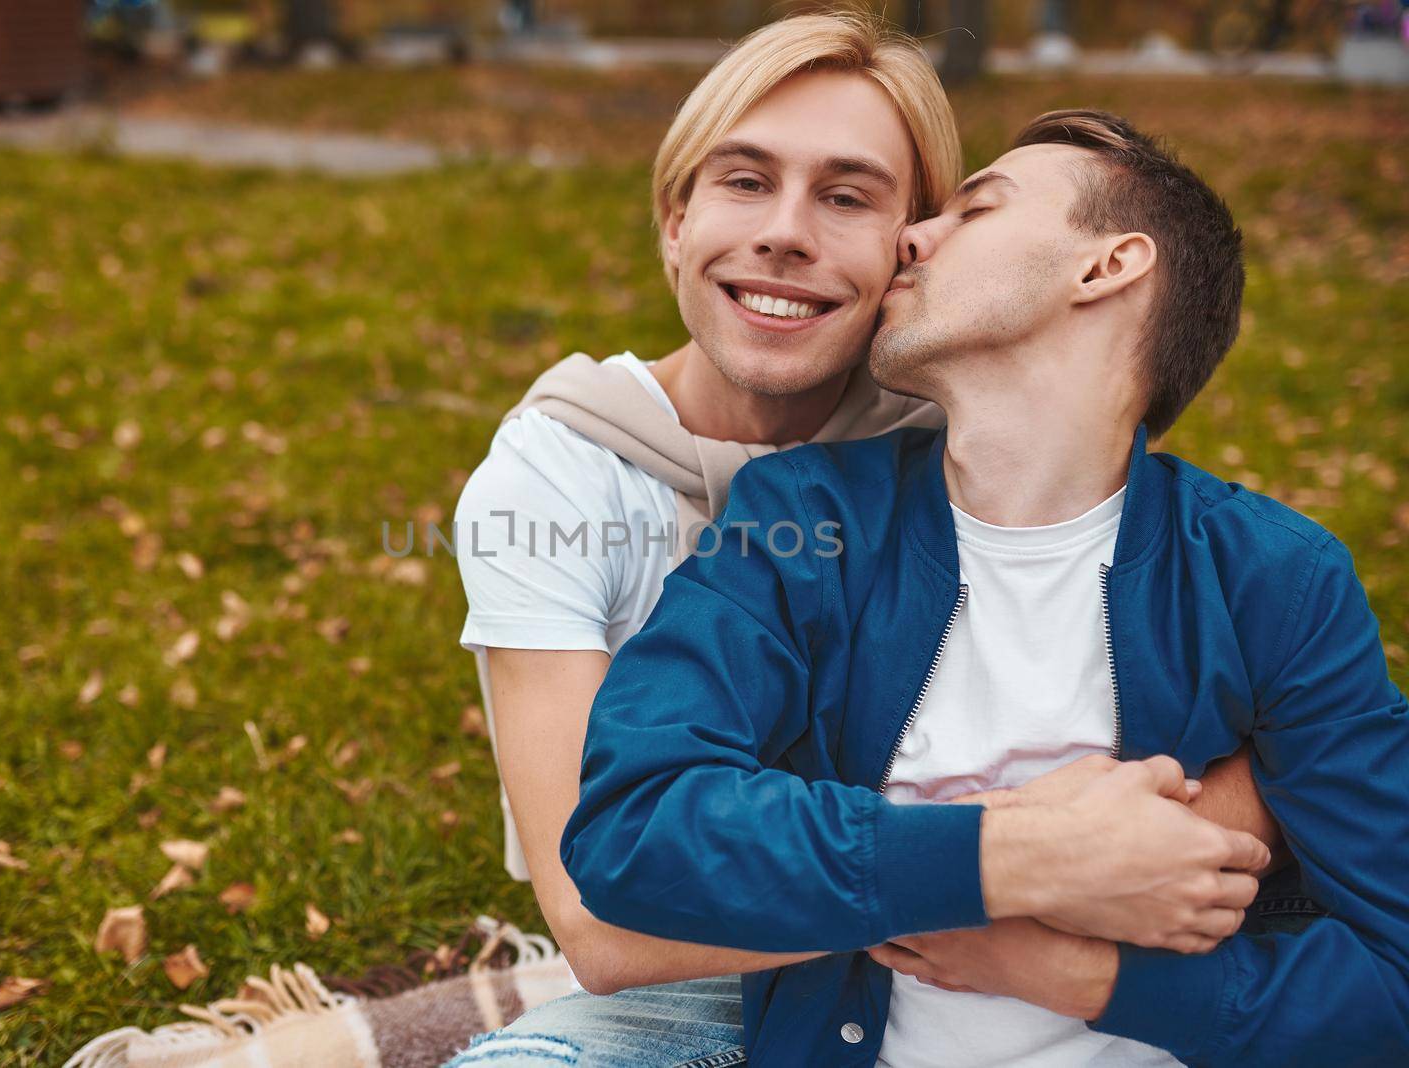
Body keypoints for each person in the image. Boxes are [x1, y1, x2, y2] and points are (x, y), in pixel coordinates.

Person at [446, 14, 1283, 1067]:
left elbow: (1253, 747)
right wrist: (1024, 866)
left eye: (846, 197)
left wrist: (1062, 898)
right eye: (743, 181)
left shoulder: (965, 433)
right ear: (674, 221)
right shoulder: (558, 476)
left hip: (976, 988)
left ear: (915, 248)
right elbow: (601, 924)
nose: (785, 233)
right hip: (702, 974)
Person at [559, 109, 1409, 1065]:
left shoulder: (1271, 580)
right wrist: (1018, 860)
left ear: (1107, 266)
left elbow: (1394, 982)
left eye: (977, 208)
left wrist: (1078, 975)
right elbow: (635, 826)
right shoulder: (803, 521)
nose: (909, 236)